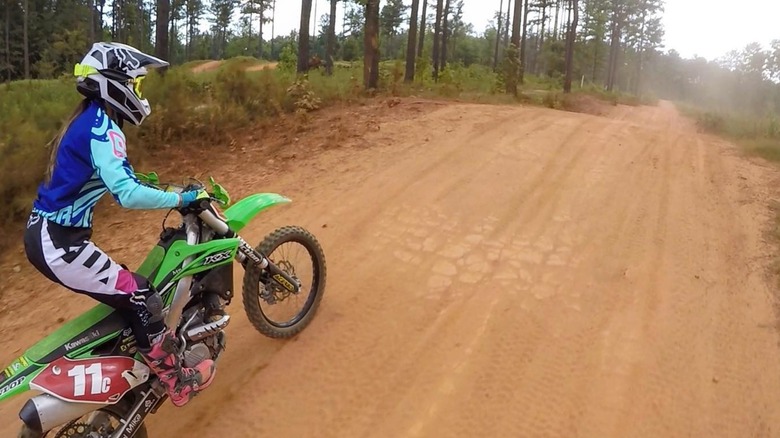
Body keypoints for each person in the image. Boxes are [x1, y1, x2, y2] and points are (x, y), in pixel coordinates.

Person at [23, 42, 214, 407]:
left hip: (50, 235)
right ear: (115, 84)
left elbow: (109, 176)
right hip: (59, 243)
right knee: (143, 297)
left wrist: (150, 183)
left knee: (124, 289)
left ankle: (134, 355)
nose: (139, 93)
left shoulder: (89, 119)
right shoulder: (103, 128)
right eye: (136, 84)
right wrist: (180, 199)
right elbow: (125, 193)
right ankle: (177, 382)